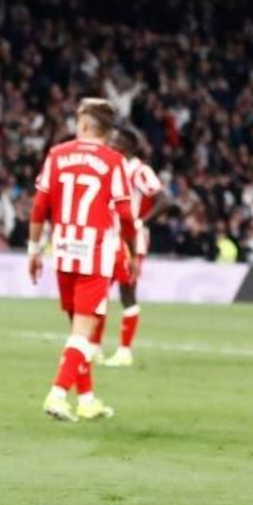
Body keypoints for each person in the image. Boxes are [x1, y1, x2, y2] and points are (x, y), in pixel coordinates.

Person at [27, 99, 140, 422]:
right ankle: (58, 394)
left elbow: (39, 207)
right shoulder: (114, 161)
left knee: (79, 333)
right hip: (96, 253)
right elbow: (124, 214)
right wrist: (130, 249)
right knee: (83, 332)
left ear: (86, 125)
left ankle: (87, 399)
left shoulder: (57, 154)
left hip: (63, 250)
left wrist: (34, 251)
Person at [98, 126, 164, 367]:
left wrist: (139, 222)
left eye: (114, 141)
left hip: (129, 240)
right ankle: (94, 347)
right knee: (98, 291)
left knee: (127, 292)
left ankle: (125, 351)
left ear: (126, 147)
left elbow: (164, 200)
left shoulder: (140, 170)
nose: (109, 144)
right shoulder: (109, 168)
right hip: (108, 237)